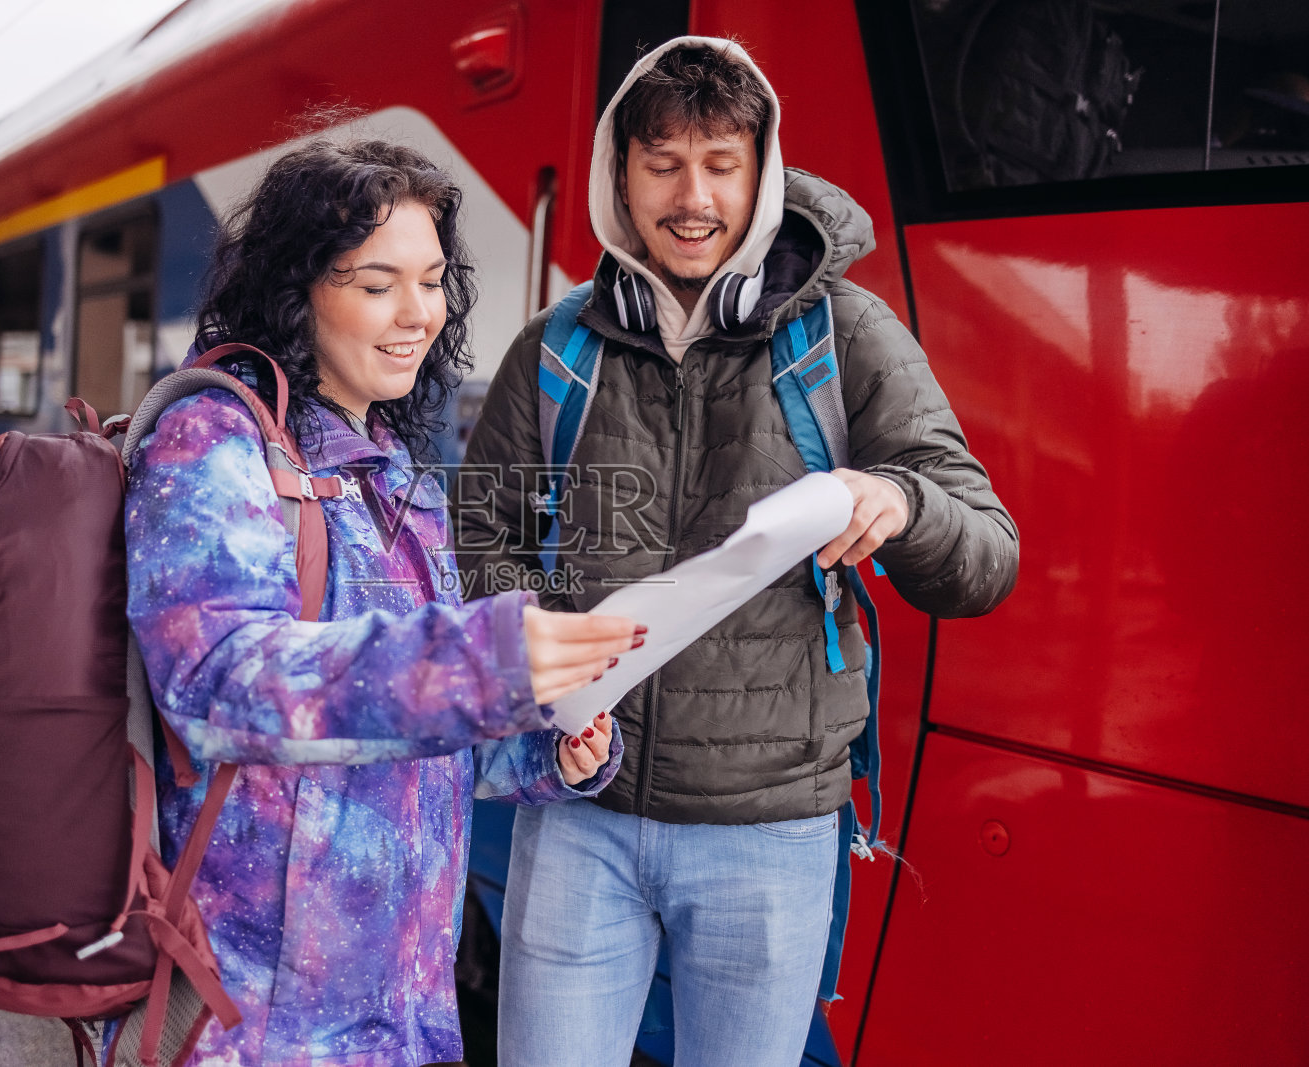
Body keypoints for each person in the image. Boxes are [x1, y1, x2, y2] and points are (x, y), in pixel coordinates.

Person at [456, 38, 1019, 1066]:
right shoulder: (555, 348)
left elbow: (985, 552)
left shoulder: (842, 335)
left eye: (721, 162)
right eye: (661, 162)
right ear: (616, 176)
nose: (692, 196)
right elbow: (485, 538)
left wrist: (895, 497)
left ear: (762, 172)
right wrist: (542, 677)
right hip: (579, 812)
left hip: (769, 831)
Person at [122, 138, 639, 1067]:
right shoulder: (213, 439)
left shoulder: (398, 472)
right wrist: (483, 661)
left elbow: (416, 742)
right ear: (297, 289)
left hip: (403, 1012)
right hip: (262, 1023)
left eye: (434, 280)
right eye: (376, 284)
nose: (419, 315)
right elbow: (216, 681)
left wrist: (546, 741)